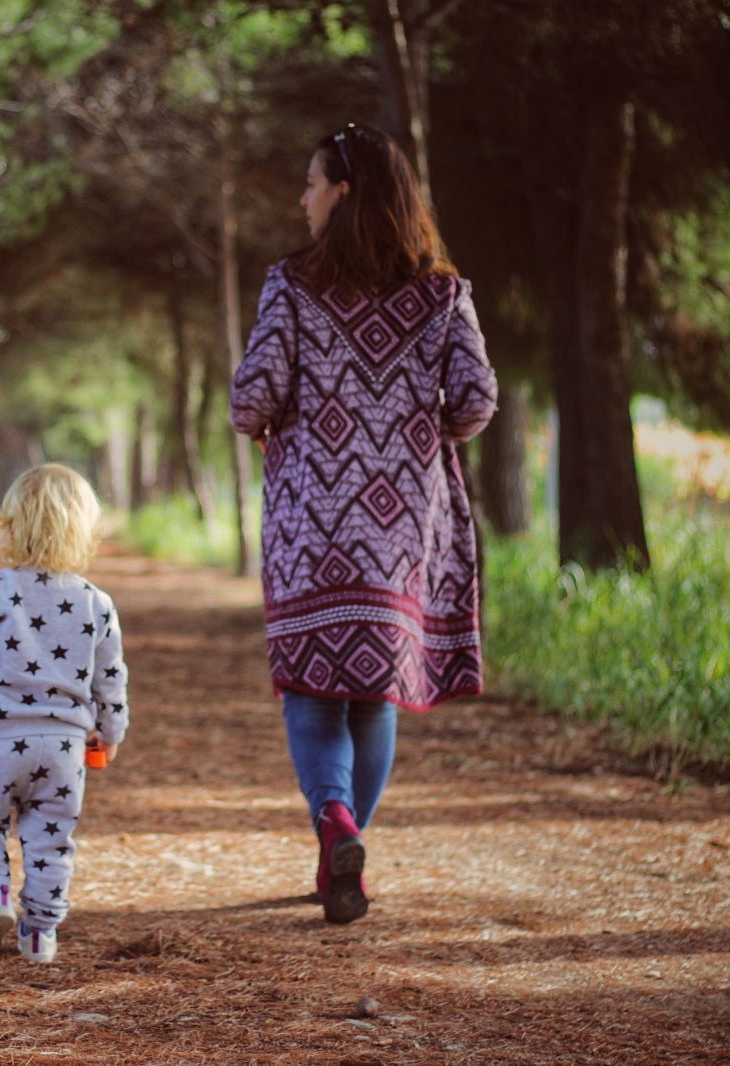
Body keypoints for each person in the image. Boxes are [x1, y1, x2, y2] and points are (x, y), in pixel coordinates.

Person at [229, 125, 497, 924]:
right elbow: (478, 400)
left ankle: (334, 826)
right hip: (401, 530)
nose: (301, 199)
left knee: (312, 695)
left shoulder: (292, 285)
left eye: (311, 183)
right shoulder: (444, 292)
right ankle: (342, 854)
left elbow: (252, 400)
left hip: (312, 524)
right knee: (374, 698)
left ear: (343, 192)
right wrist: (413, 432)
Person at [0, 463, 130, 963]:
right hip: (64, 748)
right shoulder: (96, 603)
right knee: (51, 839)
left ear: (11, 525)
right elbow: (111, 679)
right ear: (84, 531)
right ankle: (40, 934)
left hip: (1, 739)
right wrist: (110, 732)